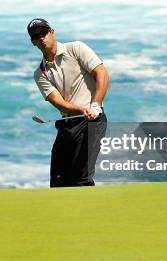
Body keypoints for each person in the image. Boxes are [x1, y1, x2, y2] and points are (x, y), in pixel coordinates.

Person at [27, 18, 109, 187]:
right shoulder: (40, 73)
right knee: (58, 179)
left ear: (52, 32)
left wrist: (95, 105)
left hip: (93, 120)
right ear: (33, 42)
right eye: (37, 36)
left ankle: (89, 212)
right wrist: (81, 109)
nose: (42, 38)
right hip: (68, 124)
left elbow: (101, 74)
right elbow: (58, 102)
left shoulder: (76, 49)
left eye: (44, 33)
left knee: (82, 177)